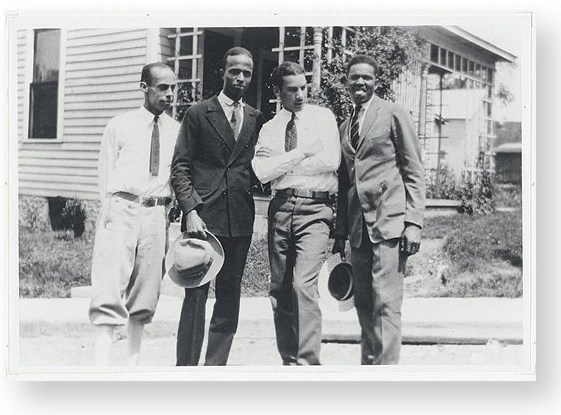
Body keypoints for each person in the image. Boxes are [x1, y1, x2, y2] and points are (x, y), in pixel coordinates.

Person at [171, 47, 265, 366]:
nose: (240, 78)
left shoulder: (254, 117)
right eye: (234, 71)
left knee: (229, 298)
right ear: (222, 72)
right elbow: (180, 167)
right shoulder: (199, 113)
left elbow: (259, 166)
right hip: (203, 219)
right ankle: (185, 369)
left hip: (239, 219)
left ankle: (215, 368)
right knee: (195, 297)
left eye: (247, 73)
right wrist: (191, 210)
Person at [332, 54, 425, 365]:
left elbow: (413, 170)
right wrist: (341, 231)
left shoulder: (393, 114)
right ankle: (369, 371)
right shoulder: (345, 126)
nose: (360, 82)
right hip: (359, 231)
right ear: (346, 82)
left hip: (389, 225)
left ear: (376, 82)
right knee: (364, 305)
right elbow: (347, 181)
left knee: (386, 305)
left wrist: (413, 222)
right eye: (354, 77)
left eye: (366, 78)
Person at [89, 62, 179, 366]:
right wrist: (110, 211)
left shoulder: (177, 131)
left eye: (173, 88)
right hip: (122, 209)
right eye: (162, 87)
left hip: (156, 214)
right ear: (145, 88)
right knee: (110, 287)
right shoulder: (120, 125)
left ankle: (132, 367)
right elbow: (105, 172)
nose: (169, 94)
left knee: (145, 291)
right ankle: (100, 368)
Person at [252, 61, 340, 365]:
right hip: (280, 208)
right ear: (278, 92)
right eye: (292, 90)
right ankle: (289, 361)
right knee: (279, 288)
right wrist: (303, 152)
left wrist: (283, 162)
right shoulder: (269, 128)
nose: (300, 94)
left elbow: (331, 159)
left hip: (315, 209)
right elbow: (262, 172)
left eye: (303, 87)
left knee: (303, 284)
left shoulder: (323, 118)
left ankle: (308, 363)